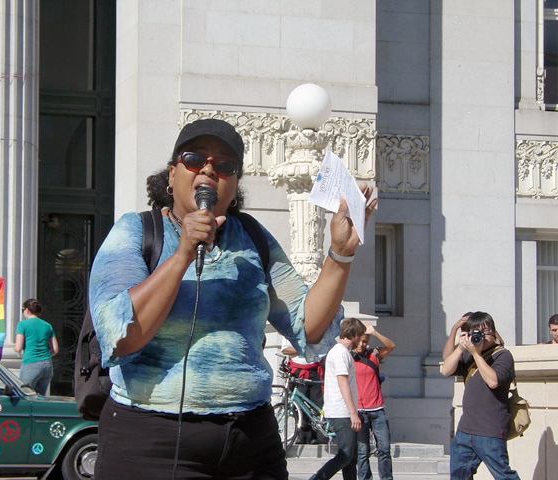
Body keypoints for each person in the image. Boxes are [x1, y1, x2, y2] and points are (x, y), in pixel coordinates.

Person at [89, 118, 377, 479]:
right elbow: (124, 335)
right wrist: (181, 254)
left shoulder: (253, 238)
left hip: (250, 441)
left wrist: (340, 255)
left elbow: (309, 327)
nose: (209, 169)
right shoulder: (137, 230)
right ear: (172, 174)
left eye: (225, 165)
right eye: (195, 158)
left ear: (235, 183)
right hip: (153, 440)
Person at [441, 311, 520, 480]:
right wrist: (461, 347)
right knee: (459, 476)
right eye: (475, 332)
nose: (481, 336)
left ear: (493, 332)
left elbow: (493, 381)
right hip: (465, 430)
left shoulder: (502, 355)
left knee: (504, 475)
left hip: (489, 429)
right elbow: (445, 369)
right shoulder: (467, 353)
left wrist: (476, 354)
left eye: (485, 331)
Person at [309, 317, 367, 480]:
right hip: (341, 411)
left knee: (351, 457)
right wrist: (353, 413)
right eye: (360, 336)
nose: (361, 341)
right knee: (346, 454)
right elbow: (342, 383)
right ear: (355, 334)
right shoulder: (340, 353)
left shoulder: (341, 352)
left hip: (343, 411)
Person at [353, 324, 395, 480]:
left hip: (377, 410)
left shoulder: (374, 355)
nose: (361, 344)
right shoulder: (347, 357)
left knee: (384, 449)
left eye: (364, 341)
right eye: (359, 341)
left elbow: (391, 346)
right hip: (359, 411)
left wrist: (375, 332)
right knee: (362, 452)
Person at [281, 339, 326, 444]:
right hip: (298, 371)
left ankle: (317, 434)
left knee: (316, 404)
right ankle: (302, 435)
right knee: (299, 405)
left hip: (314, 370)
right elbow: (285, 350)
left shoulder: (316, 329)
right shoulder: (290, 329)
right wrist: (304, 349)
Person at [13, 299, 59, 395]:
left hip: (31, 363)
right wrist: (44, 355)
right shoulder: (47, 325)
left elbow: (18, 348)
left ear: (27, 310)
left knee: (24, 395)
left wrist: (14, 347)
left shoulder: (23, 324)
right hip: (47, 365)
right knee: (39, 399)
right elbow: (55, 349)